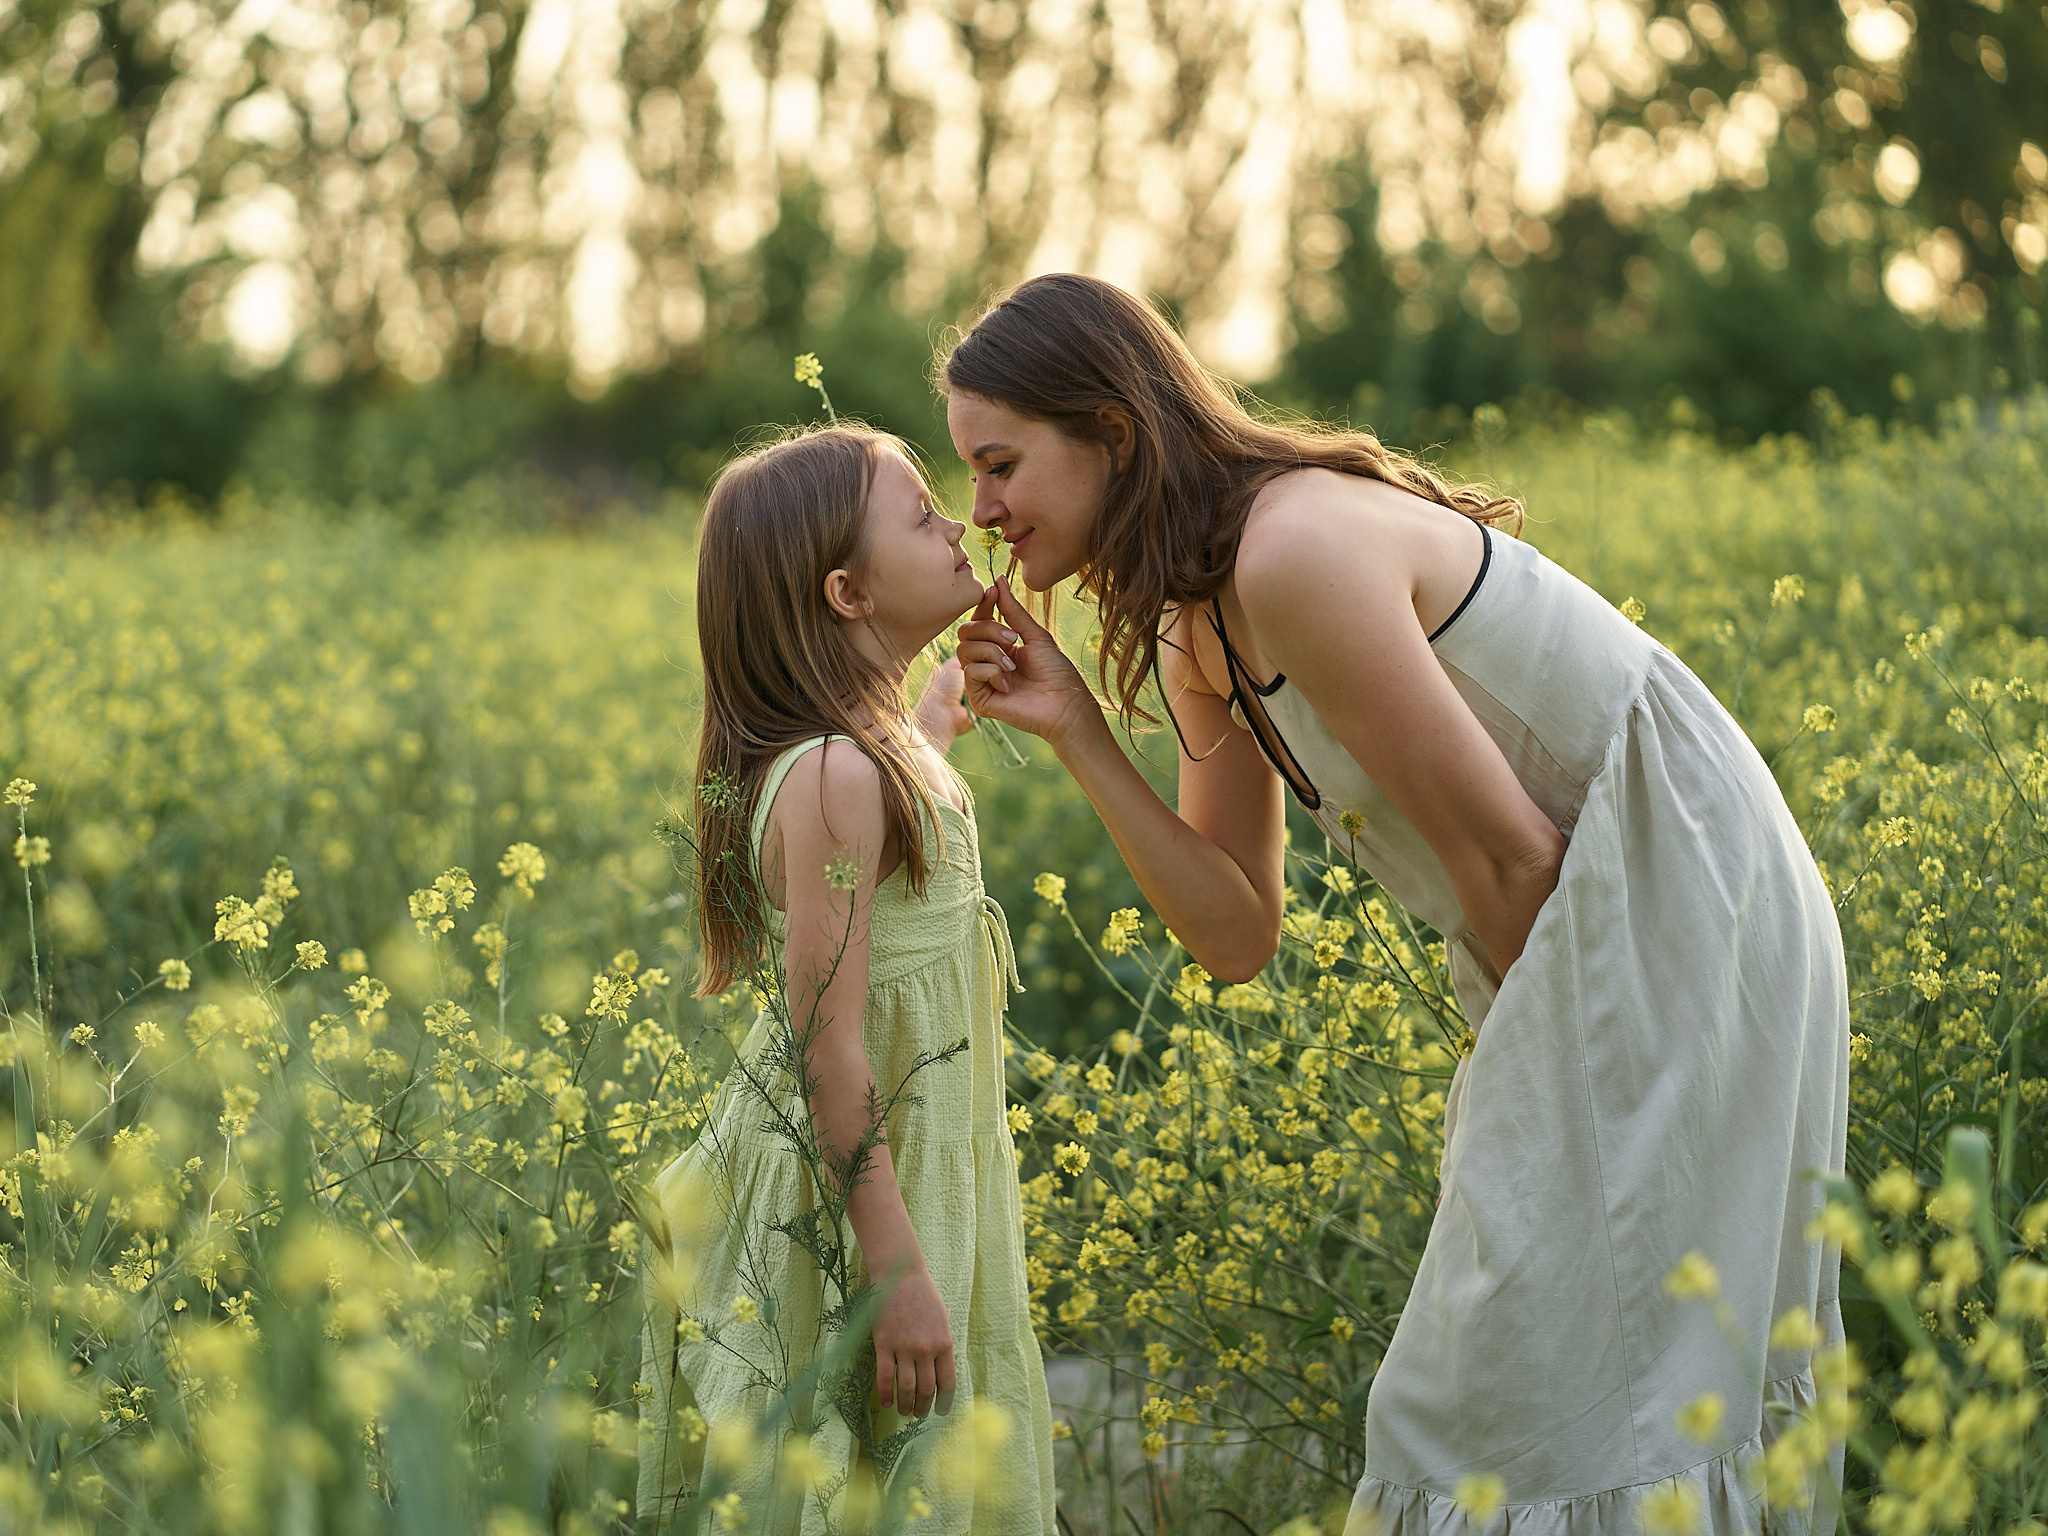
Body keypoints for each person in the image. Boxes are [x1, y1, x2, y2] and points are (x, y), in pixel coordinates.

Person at [947, 274, 1848, 1536]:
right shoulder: (1191, 617)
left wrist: (1532, 1095)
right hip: (1575, 916)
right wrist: (1078, 734)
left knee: (1528, 1389)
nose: (979, 513)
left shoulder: (1294, 551)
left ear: (1110, 433)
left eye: (998, 465)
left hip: (1672, 900)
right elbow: (1233, 936)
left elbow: (1510, 858)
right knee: (1562, 1383)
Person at [637, 424, 1057, 1534]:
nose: (961, 521)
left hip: (907, 1174)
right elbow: (828, 1042)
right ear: (846, 591)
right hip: (873, 1197)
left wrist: (929, 723)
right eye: (922, 515)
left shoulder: (858, 757)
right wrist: (892, 1278)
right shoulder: (832, 775)